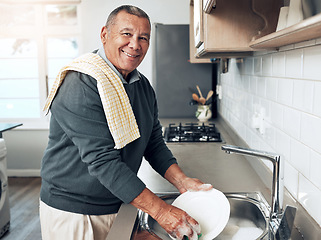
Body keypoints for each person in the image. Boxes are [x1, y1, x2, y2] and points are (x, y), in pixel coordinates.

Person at [39, 5, 212, 240]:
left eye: (143, 38)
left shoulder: (141, 86)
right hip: (75, 212)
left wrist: (182, 181)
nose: (135, 44)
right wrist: (161, 211)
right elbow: (103, 162)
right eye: (127, 34)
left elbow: (153, 143)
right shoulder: (80, 83)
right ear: (104, 34)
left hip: (120, 201)